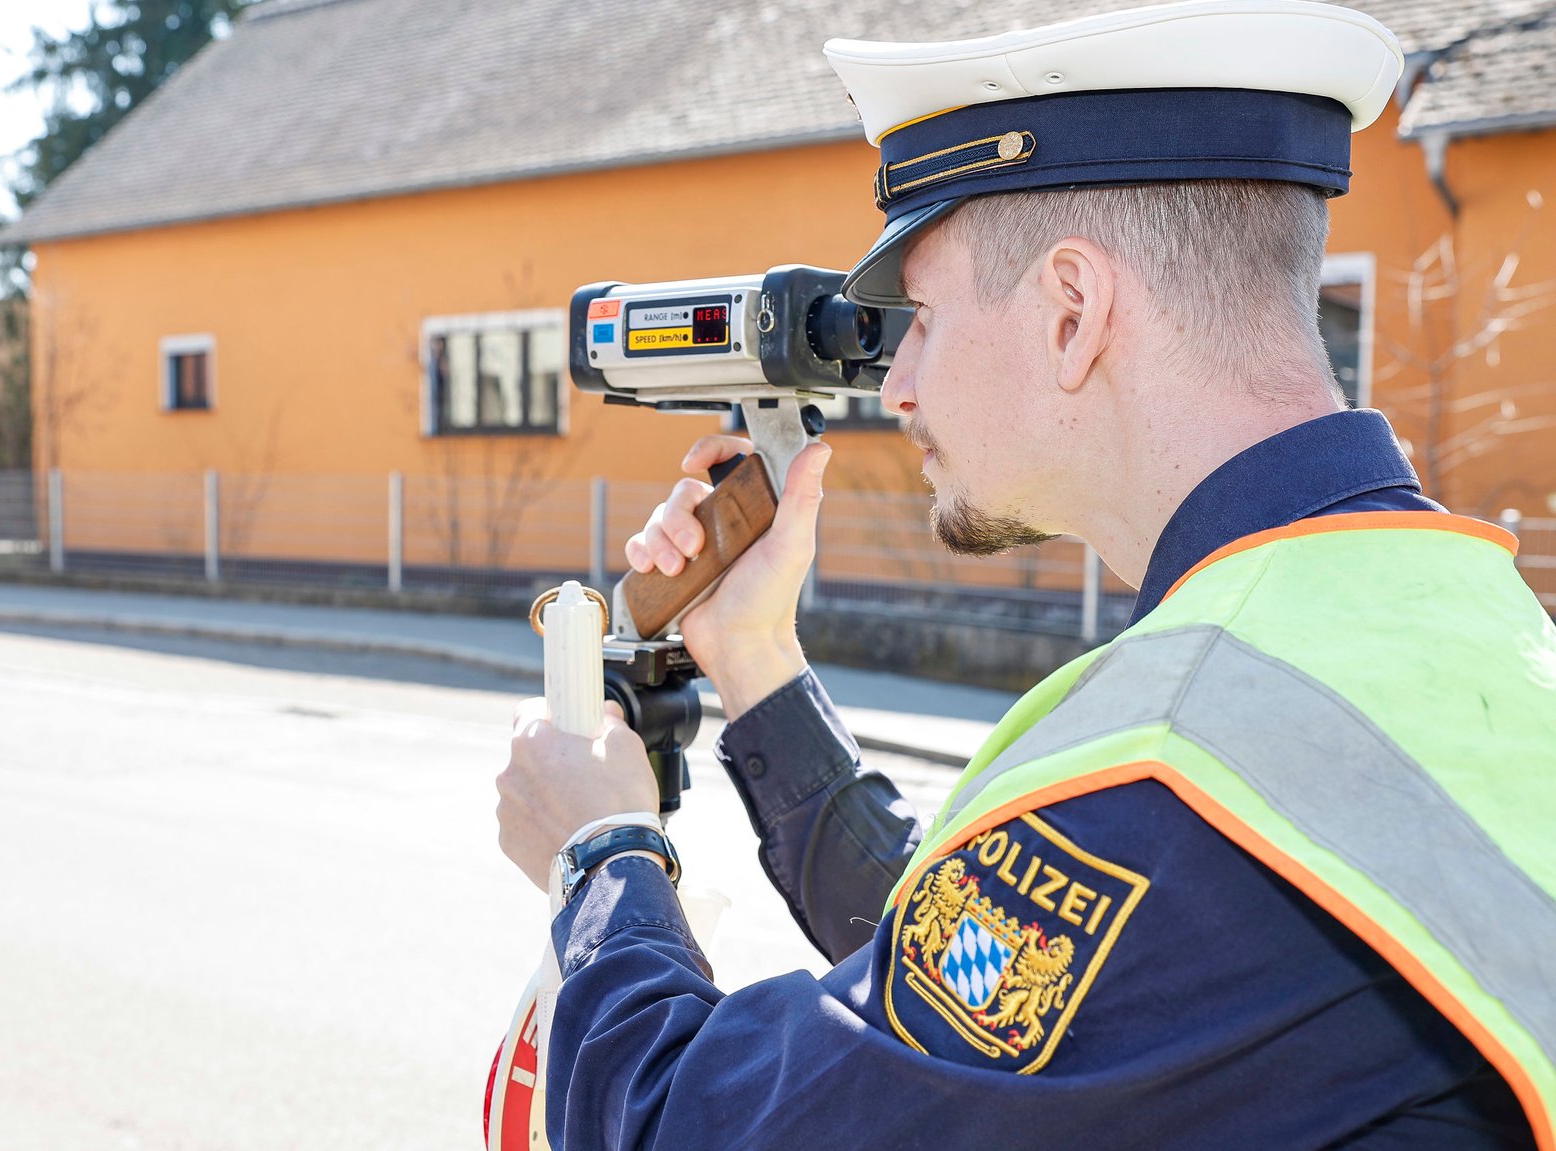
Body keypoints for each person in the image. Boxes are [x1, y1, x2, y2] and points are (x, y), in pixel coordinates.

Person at [492, 2, 1556, 1148]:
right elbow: (1003, 991)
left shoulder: (1174, 759)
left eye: (922, 319)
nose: (895, 385)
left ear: (1071, 311)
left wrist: (598, 849)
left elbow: (686, 1127)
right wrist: (751, 657)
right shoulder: (1450, 616)